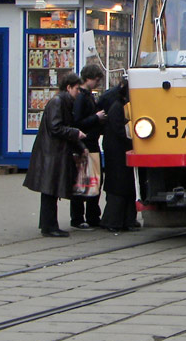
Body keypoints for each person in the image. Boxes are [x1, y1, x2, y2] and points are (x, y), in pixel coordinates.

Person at [23, 73, 87, 237]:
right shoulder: (58, 103)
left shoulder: (62, 102)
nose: (79, 93)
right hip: (51, 153)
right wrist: (75, 133)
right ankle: (49, 226)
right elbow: (56, 127)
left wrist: (80, 145)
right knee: (50, 190)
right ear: (69, 87)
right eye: (77, 89)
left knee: (51, 190)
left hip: (53, 152)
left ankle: (50, 224)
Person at [99, 80, 139, 232]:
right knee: (120, 185)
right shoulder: (118, 107)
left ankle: (123, 219)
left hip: (117, 150)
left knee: (123, 185)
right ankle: (114, 220)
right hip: (117, 152)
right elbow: (120, 131)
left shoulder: (118, 106)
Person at [70, 64, 107, 229]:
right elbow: (78, 122)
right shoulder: (81, 98)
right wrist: (96, 118)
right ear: (88, 79)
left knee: (92, 180)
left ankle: (91, 216)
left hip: (90, 143)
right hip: (85, 145)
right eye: (96, 79)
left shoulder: (86, 96)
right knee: (84, 182)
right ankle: (80, 217)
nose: (97, 83)